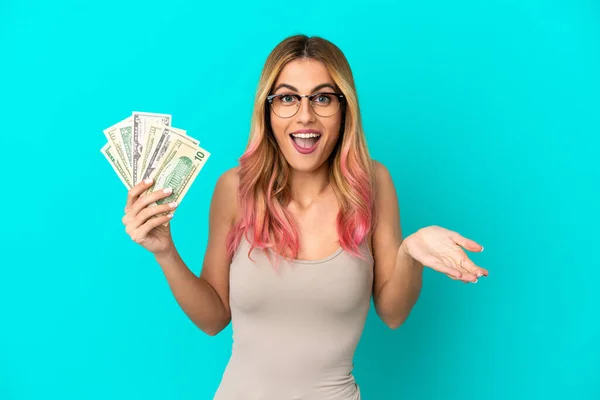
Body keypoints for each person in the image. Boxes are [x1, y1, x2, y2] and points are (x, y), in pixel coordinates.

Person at [121, 34, 488, 400]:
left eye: (323, 98)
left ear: (345, 109)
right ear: (267, 109)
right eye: (287, 98)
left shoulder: (374, 184)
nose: (305, 115)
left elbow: (393, 314)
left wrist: (410, 252)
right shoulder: (234, 189)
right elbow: (214, 318)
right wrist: (165, 252)